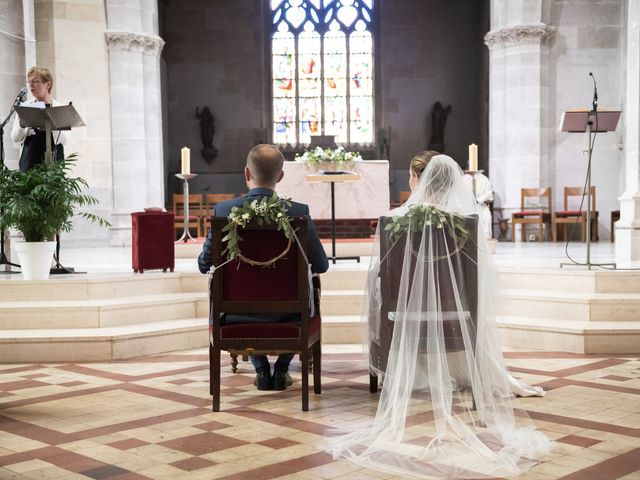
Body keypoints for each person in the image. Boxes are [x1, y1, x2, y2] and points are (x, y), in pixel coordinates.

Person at [329, 152, 551, 479]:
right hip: (457, 313)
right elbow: (479, 278)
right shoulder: (468, 220)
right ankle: (462, 368)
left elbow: (379, 275)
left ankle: (397, 373)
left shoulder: (396, 219)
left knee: (377, 296)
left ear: (417, 180)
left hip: (405, 317)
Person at [198, 144, 329, 391]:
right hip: (291, 316)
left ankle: (260, 369)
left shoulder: (224, 211)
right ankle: (280, 368)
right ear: (280, 176)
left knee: (243, 293)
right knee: (308, 294)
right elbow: (321, 264)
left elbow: (204, 264)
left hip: (235, 316)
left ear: (246, 173)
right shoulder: (298, 212)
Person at [11, 66, 70, 171]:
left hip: (54, 162)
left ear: (47, 84)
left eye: (35, 81)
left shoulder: (59, 108)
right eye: (29, 82)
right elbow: (15, 138)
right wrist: (22, 126)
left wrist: (52, 124)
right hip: (29, 163)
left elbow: (65, 140)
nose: (31, 85)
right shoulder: (25, 107)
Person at [465, 170, 494, 238]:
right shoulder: (463, 180)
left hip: (480, 206)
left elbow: (489, 194)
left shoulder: (484, 179)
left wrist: (479, 200)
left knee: (485, 218)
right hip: (467, 207)